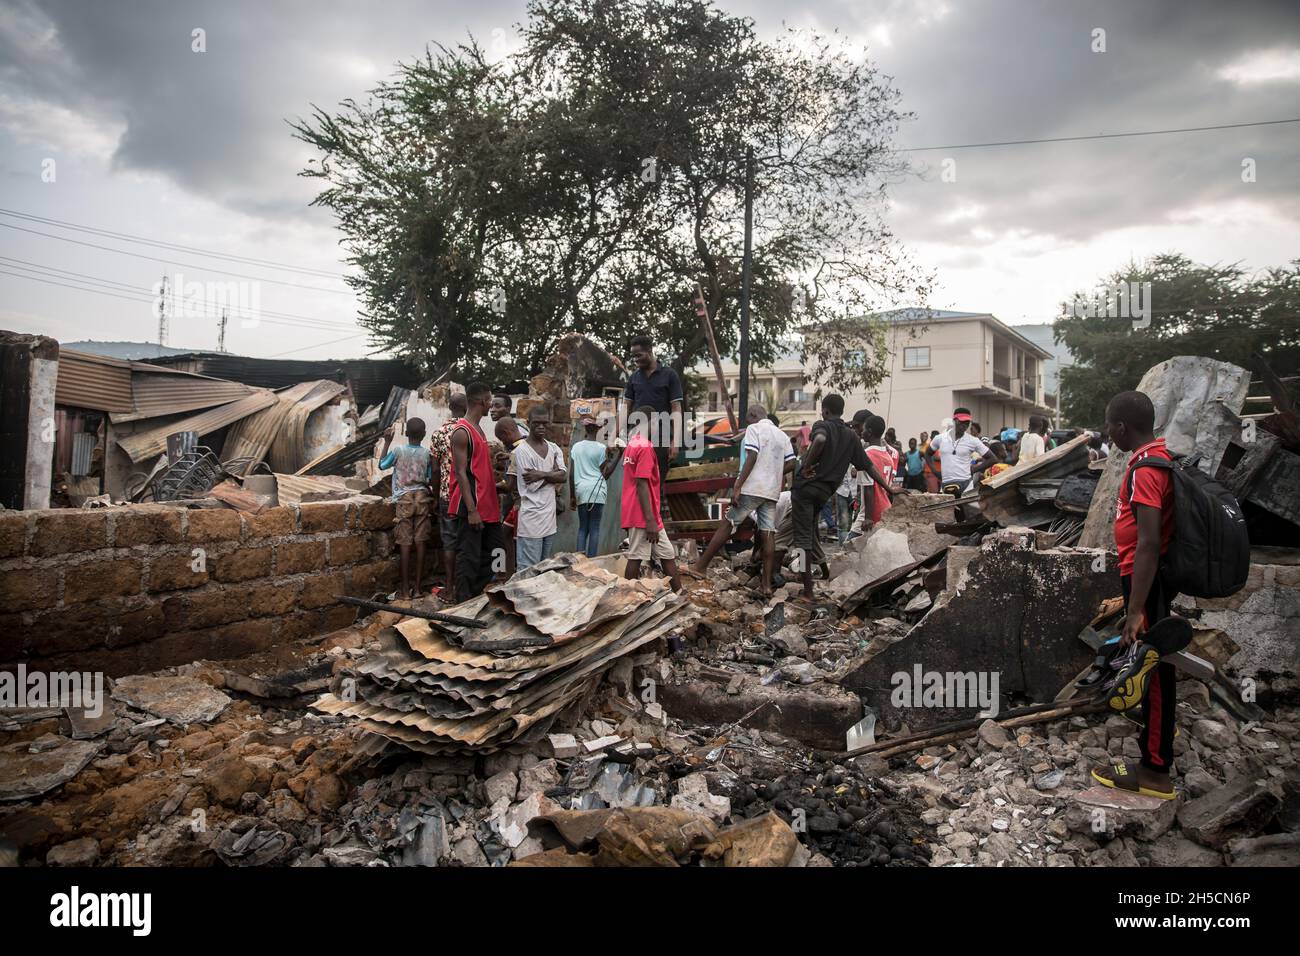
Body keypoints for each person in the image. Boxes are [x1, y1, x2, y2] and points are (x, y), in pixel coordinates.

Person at [1090, 390, 1178, 800]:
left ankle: (1155, 771)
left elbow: (1146, 542)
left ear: (1121, 427)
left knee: (1155, 669)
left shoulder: (1145, 469)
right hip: (1146, 580)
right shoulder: (1157, 457)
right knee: (1150, 666)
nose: (1108, 432)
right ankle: (1153, 750)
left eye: (1110, 425)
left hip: (1145, 581)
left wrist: (1136, 608)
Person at [790, 394, 890, 601]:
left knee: (801, 541)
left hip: (805, 490)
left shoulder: (822, 426)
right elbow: (868, 466)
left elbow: (819, 440)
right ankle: (818, 575)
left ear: (825, 411)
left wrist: (807, 466)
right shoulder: (851, 436)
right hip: (825, 493)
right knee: (810, 533)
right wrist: (889, 487)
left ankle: (807, 591)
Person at [689, 404, 795, 597]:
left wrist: (738, 485)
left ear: (753, 415)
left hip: (752, 488)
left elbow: (752, 456)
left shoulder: (754, 430)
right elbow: (792, 462)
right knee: (768, 533)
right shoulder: (782, 435)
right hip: (771, 492)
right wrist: (774, 473)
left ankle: (700, 566)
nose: (748, 424)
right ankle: (766, 585)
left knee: (728, 524)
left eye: (748, 420)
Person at [448, 383, 505, 602]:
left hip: (488, 505)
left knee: (498, 552)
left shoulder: (480, 430)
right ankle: (462, 602)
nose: (491, 404)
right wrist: (472, 510)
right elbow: (461, 473)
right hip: (472, 506)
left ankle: (477, 592)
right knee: (468, 557)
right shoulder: (462, 432)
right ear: (482, 401)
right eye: (490, 400)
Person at [621, 404, 684, 591]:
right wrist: (649, 521)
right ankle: (626, 597)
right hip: (643, 515)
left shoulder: (633, 444)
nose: (658, 426)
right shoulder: (645, 447)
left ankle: (679, 595)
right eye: (656, 422)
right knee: (636, 556)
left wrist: (653, 519)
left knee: (667, 553)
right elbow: (641, 484)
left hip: (646, 513)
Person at [623, 335, 683, 508]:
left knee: (655, 484)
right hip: (638, 439)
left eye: (639, 355)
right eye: (633, 356)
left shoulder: (669, 375)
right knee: (636, 484)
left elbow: (676, 409)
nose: (635, 360)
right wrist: (614, 435)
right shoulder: (634, 378)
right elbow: (625, 408)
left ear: (649, 351)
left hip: (661, 440)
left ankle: (653, 526)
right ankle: (638, 529)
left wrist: (675, 440)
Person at [505, 407, 567, 570]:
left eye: (544, 423)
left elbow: (564, 477)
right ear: (528, 424)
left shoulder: (554, 448)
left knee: (545, 567)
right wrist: (552, 474)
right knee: (527, 569)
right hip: (531, 519)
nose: (541, 427)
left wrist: (541, 474)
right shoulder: (521, 451)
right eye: (536, 423)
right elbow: (532, 485)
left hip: (549, 519)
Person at [379, 417, 434, 600]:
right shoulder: (427, 453)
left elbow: (382, 465)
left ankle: (404, 590)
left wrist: (387, 441)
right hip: (422, 499)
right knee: (421, 543)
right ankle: (417, 589)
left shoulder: (398, 450)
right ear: (424, 434)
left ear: (406, 433)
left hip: (404, 500)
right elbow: (428, 477)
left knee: (404, 543)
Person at [429, 393, 467, 595]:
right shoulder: (470, 431)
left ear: (449, 407)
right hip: (468, 495)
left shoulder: (439, 433)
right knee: (466, 542)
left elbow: (435, 470)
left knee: (450, 543)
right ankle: (465, 587)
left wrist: (435, 497)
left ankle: (450, 588)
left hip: (447, 495)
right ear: (466, 406)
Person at [570, 416, 618, 557]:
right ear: (598, 430)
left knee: (582, 528)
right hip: (597, 492)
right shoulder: (601, 448)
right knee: (595, 527)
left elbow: (571, 475)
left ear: (586, 429)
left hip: (581, 490)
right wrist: (619, 455)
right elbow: (606, 474)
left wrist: (572, 496)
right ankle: (591, 561)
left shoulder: (576, 447)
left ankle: (579, 560)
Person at [936, 408, 996, 497]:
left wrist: (974, 469)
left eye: (967, 423)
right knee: (946, 510)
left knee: (967, 510)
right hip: (945, 485)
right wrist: (935, 471)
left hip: (966, 486)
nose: (965, 425)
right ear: (954, 421)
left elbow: (993, 459)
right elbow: (928, 453)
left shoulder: (973, 440)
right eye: (962, 422)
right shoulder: (940, 438)